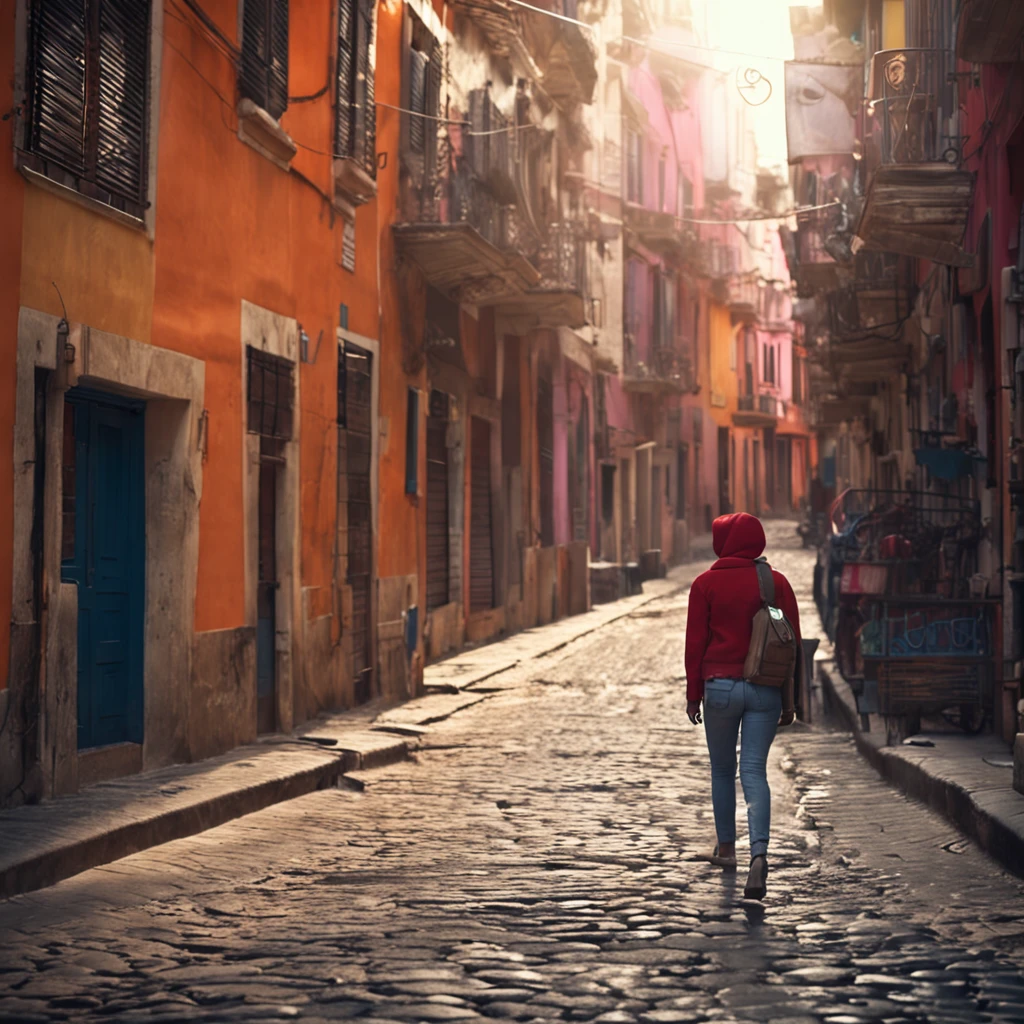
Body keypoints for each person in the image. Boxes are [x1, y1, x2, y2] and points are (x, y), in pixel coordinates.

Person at [684, 512, 801, 901]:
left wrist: (693, 693)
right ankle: (759, 855)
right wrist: (791, 699)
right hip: (765, 689)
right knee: (754, 771)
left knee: (722, 770)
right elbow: (793, 645)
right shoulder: (777, 582)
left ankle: (728, 850)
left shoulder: (705, 584)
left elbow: (695, 645)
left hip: (719, 688)